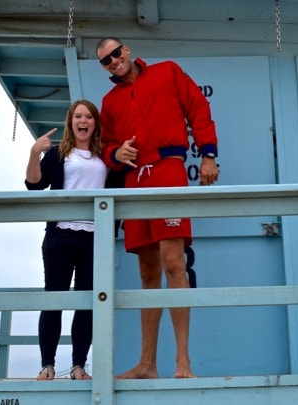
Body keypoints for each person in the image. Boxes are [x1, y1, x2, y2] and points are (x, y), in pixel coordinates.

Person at [95, 37, 219, 379]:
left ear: (127, 51)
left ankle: (183, 362)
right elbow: (105, 145)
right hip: (134, 182)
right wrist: (116, 154)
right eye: (105, 61)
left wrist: (207, 154)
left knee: (173, 263)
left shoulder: (167, 72)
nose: (113, 61)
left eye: (115, 53)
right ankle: (147, 364)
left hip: (168, 171)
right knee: (148, 274)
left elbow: (197, 107)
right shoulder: (109, 101)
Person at [25, 99, 108, 381]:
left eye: (88, 117)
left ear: (95, 123)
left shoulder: (103, 155)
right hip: (60, 236)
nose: (83, 121)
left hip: (94, 238)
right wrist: (34, 153)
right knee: (54, 299)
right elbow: (34, 184)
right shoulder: (60, 153)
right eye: (78, 116)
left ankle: (78, 366)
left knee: (86, 302)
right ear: (70, 122)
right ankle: (47, 364)